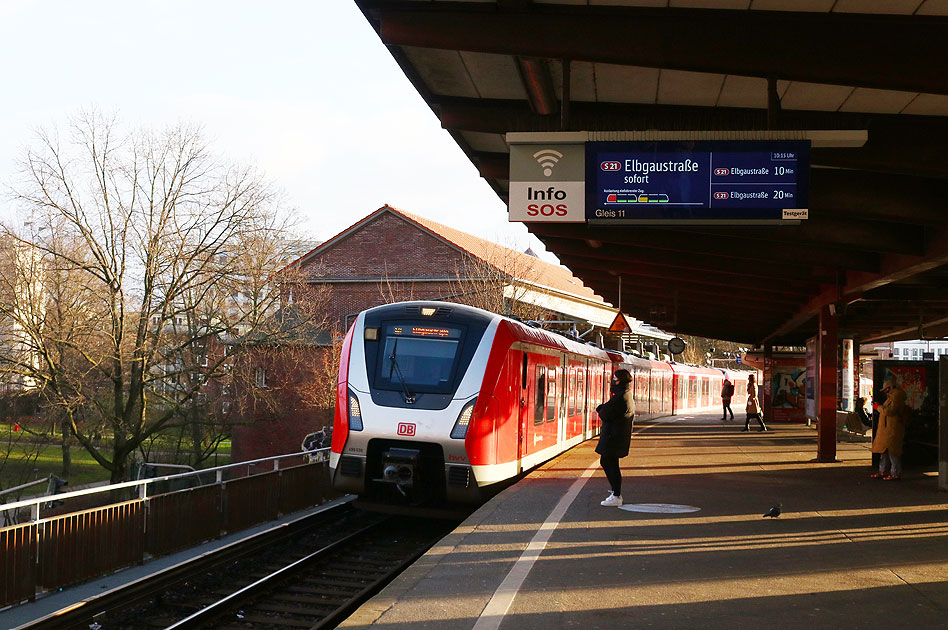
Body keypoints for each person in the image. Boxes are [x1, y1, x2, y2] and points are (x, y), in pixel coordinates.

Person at [596, 369, 635, 507]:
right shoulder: (625, 394)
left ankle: (616, 495)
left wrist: (601, 409)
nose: (612, 380)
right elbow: (607, 409)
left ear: (619, 381)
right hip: (616, 437)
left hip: (614, 437)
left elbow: (605, 413)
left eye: (614, 378)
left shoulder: (621, 397)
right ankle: (615, 491)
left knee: (609, 463)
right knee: (609, 463)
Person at [871, 378, 909, 480]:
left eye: (886, 389)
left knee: (893, 452)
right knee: (885, 451)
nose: (885, 392)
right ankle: (883, 471)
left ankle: (895, 473)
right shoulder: (891, 397)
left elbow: (889, 412)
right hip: (887, 429)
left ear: (890, 388)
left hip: (893, 429)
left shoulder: (897, 397)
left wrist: (878, 407)